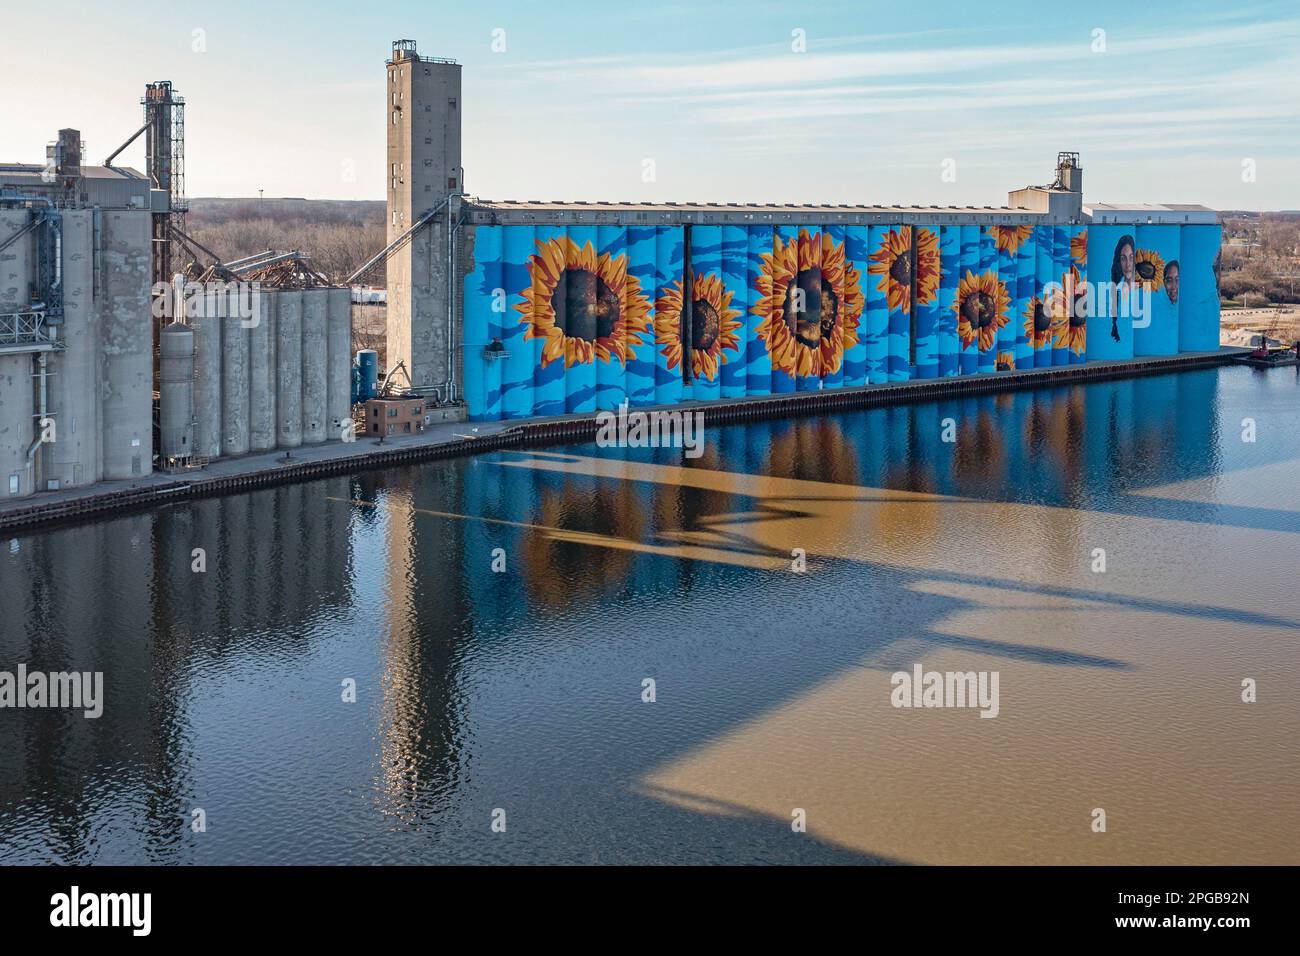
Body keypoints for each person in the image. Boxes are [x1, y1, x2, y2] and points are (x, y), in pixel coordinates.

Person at [1109, 235, 1136, 341]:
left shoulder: (1143, 288)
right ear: (1118, 262)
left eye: (1131, 257)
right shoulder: (1117, 292)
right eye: (1123, 258)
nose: (1128, 264)